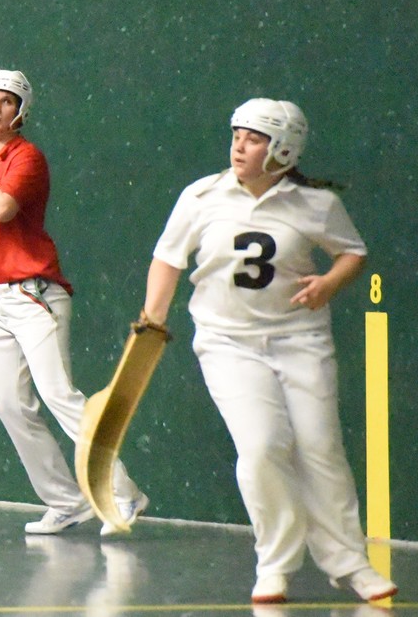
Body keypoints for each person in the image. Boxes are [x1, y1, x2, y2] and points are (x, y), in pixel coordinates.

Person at [140, 98, 396, 603]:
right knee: (261, 446)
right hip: (227, 343)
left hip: (301, 341)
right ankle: (275, 564)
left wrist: (329, 284)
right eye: (237, 134)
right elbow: (167, 259)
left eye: (253, 138)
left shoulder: (316, 204)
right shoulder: (202, 196)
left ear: (282, 148)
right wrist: (153, 316)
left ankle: (350, 563)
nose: (239, 145)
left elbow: (353, 252)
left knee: (321, 447)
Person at [0, 69, 147, 536]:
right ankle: (66, 502)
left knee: (59, 396)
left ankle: (124, 495)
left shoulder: (27, 159)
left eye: (7, 101)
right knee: (10, 405)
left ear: (20, 112)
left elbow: (2, 207)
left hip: (34, 294)